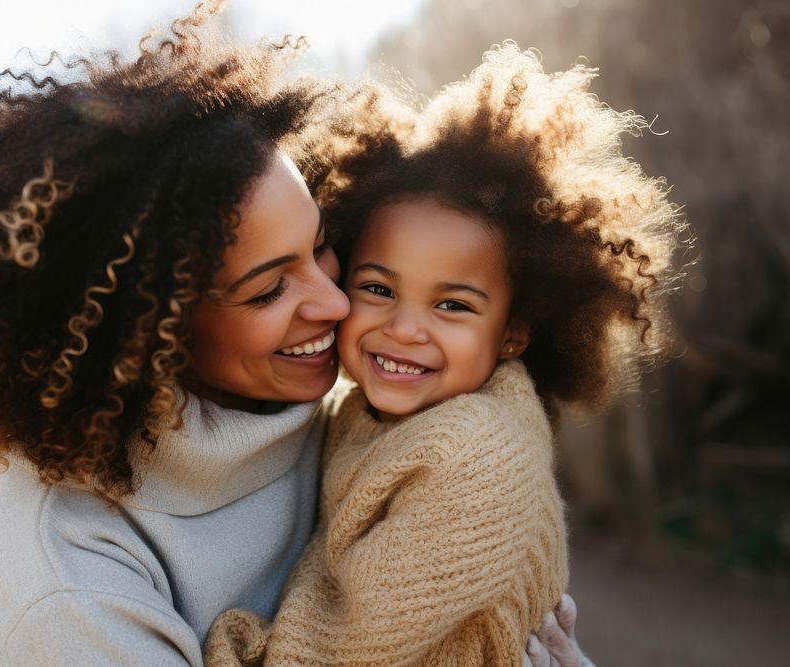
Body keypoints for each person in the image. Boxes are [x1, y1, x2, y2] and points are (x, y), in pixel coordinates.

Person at [0, 5, 586, 665]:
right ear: (160, 331)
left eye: (324, 244)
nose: (334, 301)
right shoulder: (73, 588)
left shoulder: (365, 415)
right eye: (270, 287)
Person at [205, 43, 683, 665]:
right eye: (377, 289)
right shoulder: (370, 415)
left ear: (513, 333)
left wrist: (224, 644)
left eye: (452, 305)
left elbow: (341, 647)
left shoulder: (476, 456)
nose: (404, 329)